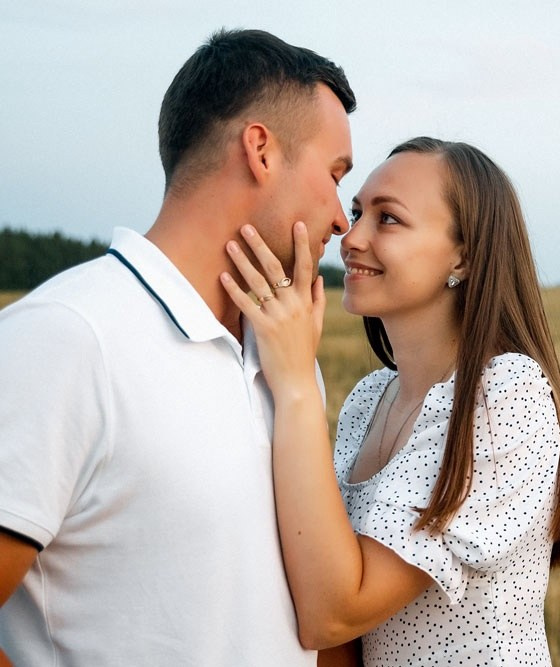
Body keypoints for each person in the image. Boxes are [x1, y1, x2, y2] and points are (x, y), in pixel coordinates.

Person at [0, 29, 355, 665]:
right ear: (261, 151)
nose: (341, 218)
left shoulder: (288, 359)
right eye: (333, 176)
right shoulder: (68, 336)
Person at [221, 136, 560, 665]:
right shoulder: (369, 399)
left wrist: (297, 380)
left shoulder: (505, 396)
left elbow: (334, 611)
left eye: (387, 219)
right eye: (356, 212)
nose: (351, 237)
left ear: (463, 254)